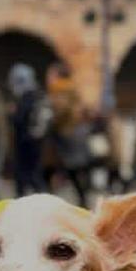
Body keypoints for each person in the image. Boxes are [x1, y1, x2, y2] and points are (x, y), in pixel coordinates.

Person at [45, 63, 90, 207]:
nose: (49, 77)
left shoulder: (59, 90)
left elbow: (60, 111)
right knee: (74, 170)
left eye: (51, 74)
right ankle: (83, 201)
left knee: (58, 169)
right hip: (76, 132)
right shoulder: (74, 89)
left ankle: (51, 203)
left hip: (63, 134)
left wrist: (52, 122)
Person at [8, 63, 48, 197]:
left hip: (26, 142)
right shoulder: (38, 94)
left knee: (27, 175)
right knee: (34, 173)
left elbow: (19, 119)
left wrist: (12, 113)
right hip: (36, 140)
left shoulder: (26, 97)